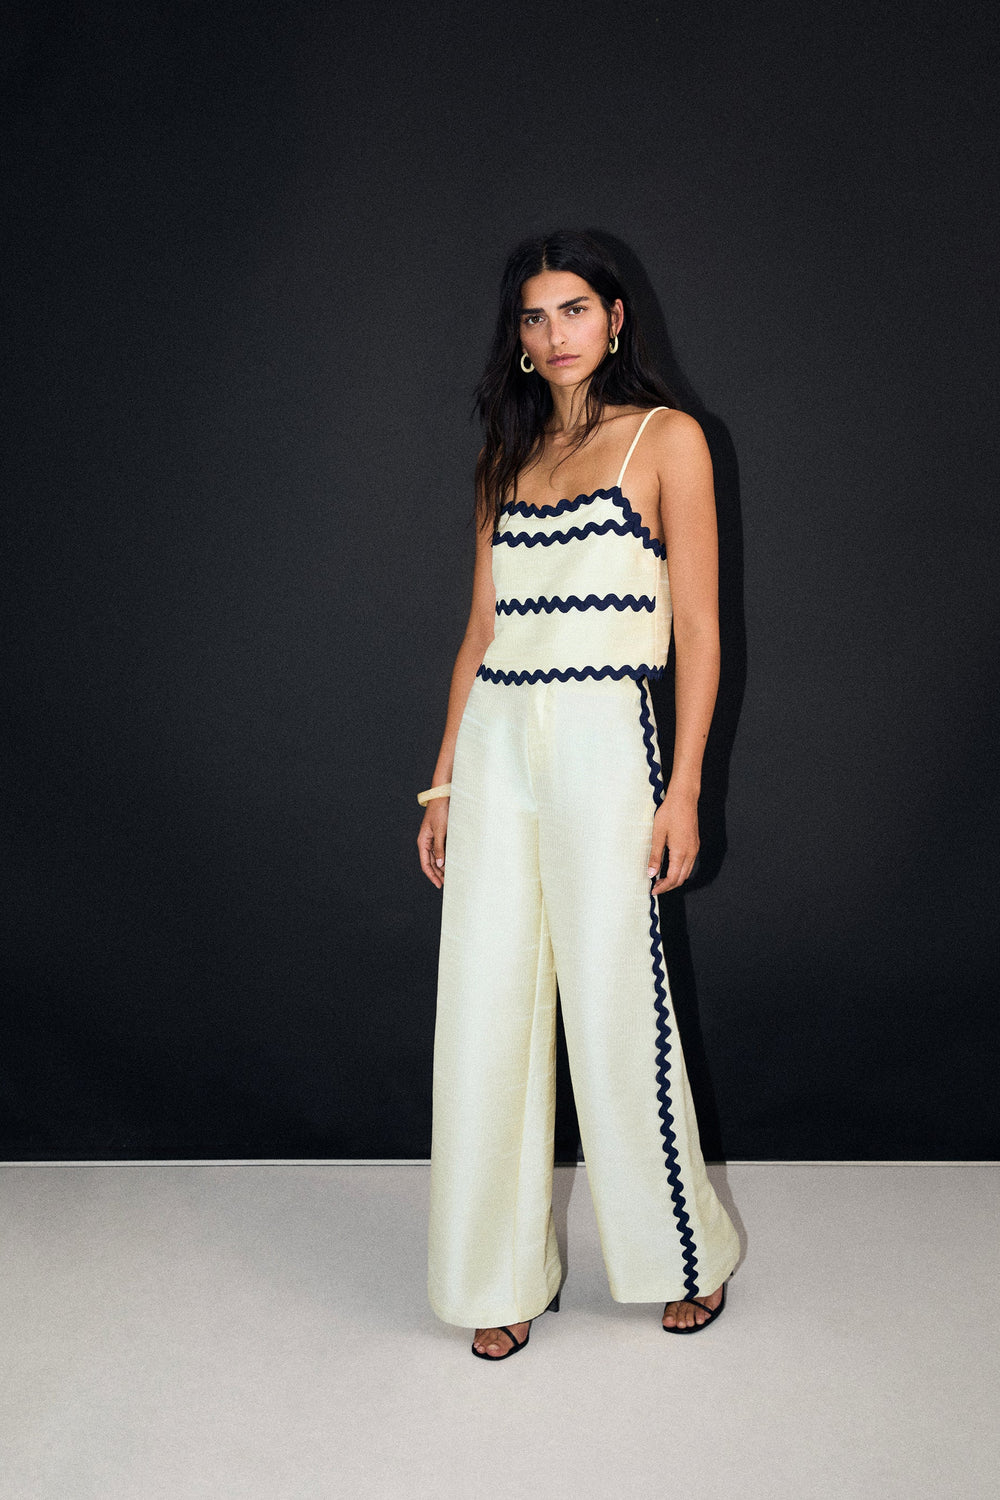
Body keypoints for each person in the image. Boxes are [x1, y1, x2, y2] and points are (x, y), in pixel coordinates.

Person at [417, 231, 740, 1360]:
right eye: (533, 316)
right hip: (498, 741)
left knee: (616, 998)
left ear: (614, 317)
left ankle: (680, 1256)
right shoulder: (501, 459)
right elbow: (480, 632)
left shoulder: (666, 439)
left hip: (609, 735)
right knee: (485, 1005)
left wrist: (683, 788)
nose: (554, 334)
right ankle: (496, 1274)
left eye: (573, 310)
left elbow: (699, 628)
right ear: (517, 337)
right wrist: (443, 782)